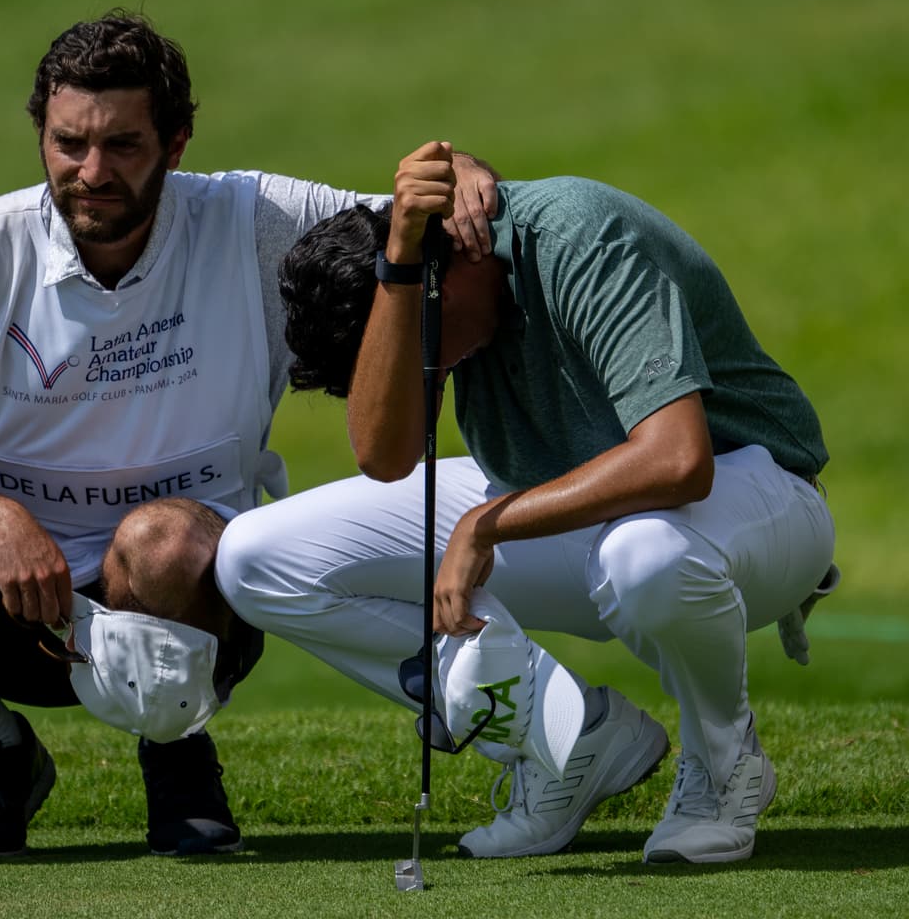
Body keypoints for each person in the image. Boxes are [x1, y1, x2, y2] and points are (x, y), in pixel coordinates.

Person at [0, 16, 498, 860]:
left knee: (160, 539)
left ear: (176, 144)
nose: (90, 173)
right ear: (42, 132)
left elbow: (405, 212)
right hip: (15, 601)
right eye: (68, 143)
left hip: (193, 593)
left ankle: (176, 755)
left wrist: (462, 167)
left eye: (123, 146)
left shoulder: (251, 218)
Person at [216, 140, 839, 864]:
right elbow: (384, 457)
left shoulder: (578, 234)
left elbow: (679, 461)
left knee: (645, 555)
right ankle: (567, 743)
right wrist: (402, 280)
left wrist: (487, 524)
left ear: (461, 259)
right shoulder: (432, 266)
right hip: (578, 512)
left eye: (428, 346)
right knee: (256, 557)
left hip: (754, 503)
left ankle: (725, 766)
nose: (435, 371)